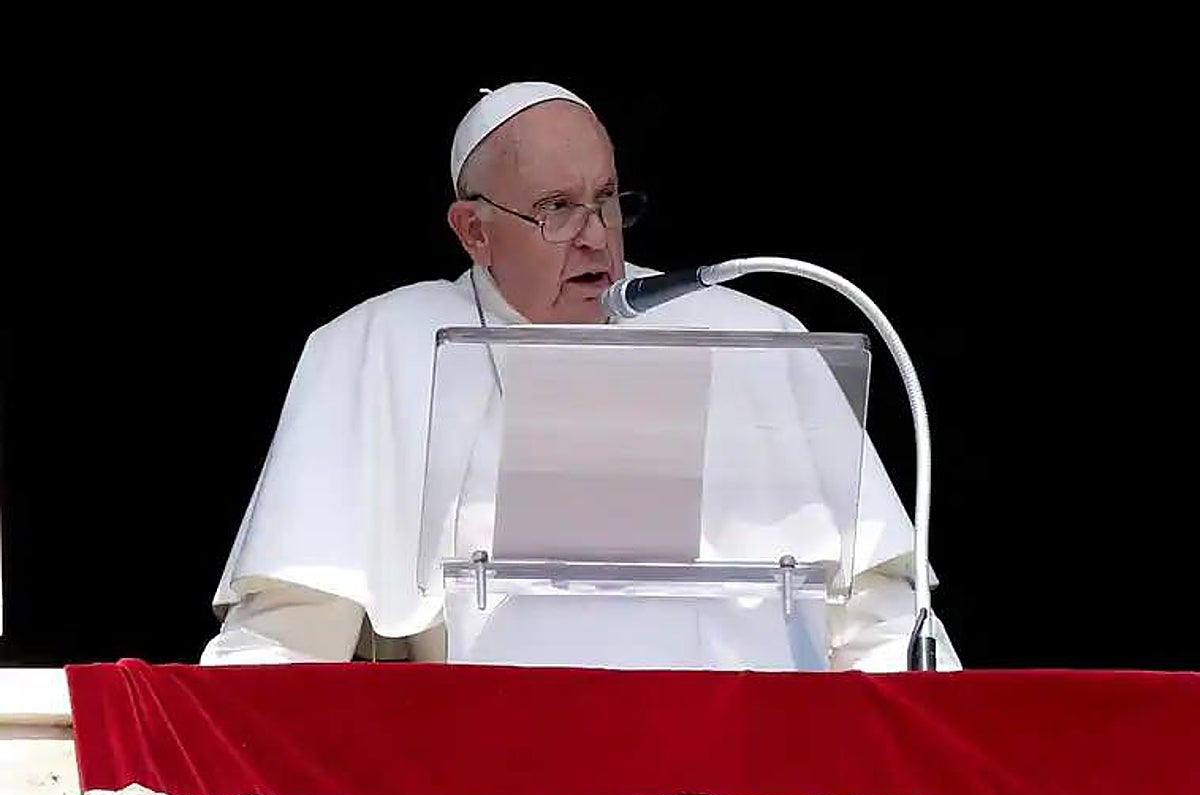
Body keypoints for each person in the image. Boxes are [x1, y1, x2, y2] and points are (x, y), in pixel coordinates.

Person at [200, 82, 960, 670]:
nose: (595, 237)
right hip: (492, 780)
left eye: (605, 200)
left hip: (744, 768)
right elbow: (292, 631)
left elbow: (879, 617)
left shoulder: (753, 335)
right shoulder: (380, 344)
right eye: (557, 209)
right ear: (474, 231)